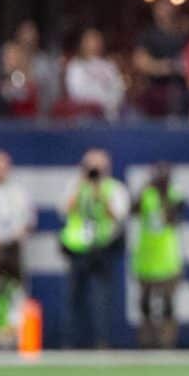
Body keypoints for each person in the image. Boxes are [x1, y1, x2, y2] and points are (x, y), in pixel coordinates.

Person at [59, 149, 130, 349]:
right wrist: (82, 187)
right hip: (77, 248)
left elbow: (119, 216)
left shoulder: (114, 188)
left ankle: (102, 342)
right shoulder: (76, 186)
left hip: (102, 248)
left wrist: (99, 193)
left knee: (102, 299)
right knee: (73, 298)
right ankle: (69, 343)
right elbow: (64, 211)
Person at [132, 162, 185, 349]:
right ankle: (147, 341)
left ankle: (167, 341)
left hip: (167, 258)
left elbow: (173, 217)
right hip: (147, 257)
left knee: (167, 304)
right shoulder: (147, 193)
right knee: (145, 303)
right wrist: (145, 187)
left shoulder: (174, 194)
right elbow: (133, 210)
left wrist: (164, 194)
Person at [132, 0, 189, 117]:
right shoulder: (148, 35)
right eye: (161, 8)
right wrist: (165, 67)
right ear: (155, 11)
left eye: (168, 7)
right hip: (154, 89)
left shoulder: (184, 34)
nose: (165, 11)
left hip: (182, 89)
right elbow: (140, 61)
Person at [64, 28, 126, 120]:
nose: (96, 43)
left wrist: (113, 102)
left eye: (98, 40)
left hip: (111, 113)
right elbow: (76, 92)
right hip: (86, 115)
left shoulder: (109, 65)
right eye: (92, 40)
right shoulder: (76, 65)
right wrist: (102, 101)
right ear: (83, 43)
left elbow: (119, 88)